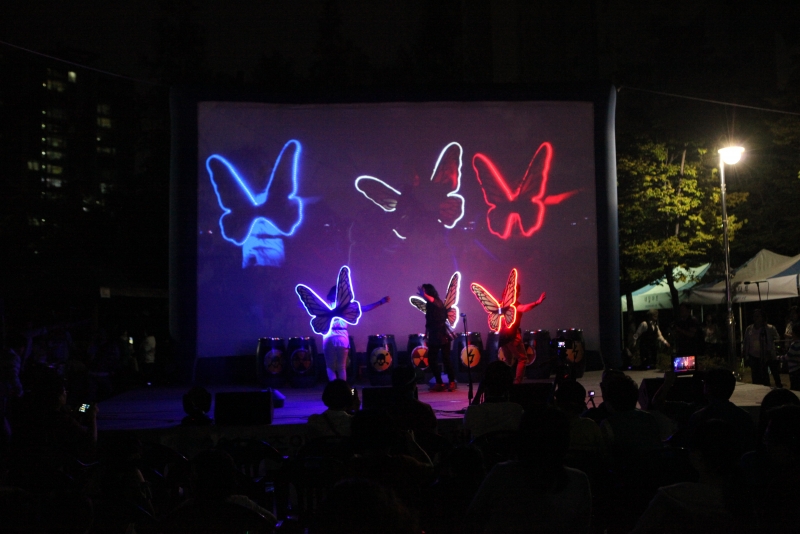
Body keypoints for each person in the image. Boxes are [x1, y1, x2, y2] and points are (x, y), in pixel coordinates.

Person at [465, 406, 592, 533]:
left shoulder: (502, 474)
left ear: (522, 439)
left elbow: (473, 519)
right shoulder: (578, 481)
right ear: (564, 442)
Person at [324, 285, 389, 382]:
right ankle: (342, 389)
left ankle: (334, 388)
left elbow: (310, 308)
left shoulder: (326, 305)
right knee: (342, 367)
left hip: (328, 335)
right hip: (342, 336)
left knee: (330, 366)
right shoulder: (347, 306)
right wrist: (380, 302)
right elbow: (364, 308)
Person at [497, 284, 546, 384]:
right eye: (517, 292)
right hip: (512, 335)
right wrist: (537, 302)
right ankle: (517, 383)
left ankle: (503, 382)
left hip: (502, 336)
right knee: (522, 358)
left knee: (508, 361)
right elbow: (523, 308)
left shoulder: (501, 304)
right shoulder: (514, 305)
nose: (518, 294)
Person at [464, 361, 524, 440]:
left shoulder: (473, 411)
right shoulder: (517, 410)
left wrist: (478, 393)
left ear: (484, 384)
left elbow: (467, 430)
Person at [417, 283, 457, 391]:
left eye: (424, 291)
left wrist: (424, 295)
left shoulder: (437, 301)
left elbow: (433, 301)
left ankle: (452, 381)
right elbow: (429, 322)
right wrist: (426, 334)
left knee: (446, 359)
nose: (423, 293)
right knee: (431, 359)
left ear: (429, 292)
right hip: (434, 335)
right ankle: (440, 383)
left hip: (442, 334)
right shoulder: (429, 305)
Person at [743, 309, 782, 388]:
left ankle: (778, 387)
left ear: (762, 317)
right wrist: (745, 354)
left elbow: (777, 339)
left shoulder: (769, 328)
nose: (755, 318)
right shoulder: (749, 329)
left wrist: (771, 345)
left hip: (768, 355)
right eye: (754, 316)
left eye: (758, 316)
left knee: (773, 373)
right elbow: (746, 342)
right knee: (755, 375)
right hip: (754, 356)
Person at [783, 321, 800, 391]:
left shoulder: (795, 344)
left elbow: (787, 357)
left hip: (794, 370)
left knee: (794, 388)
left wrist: (776, 358)